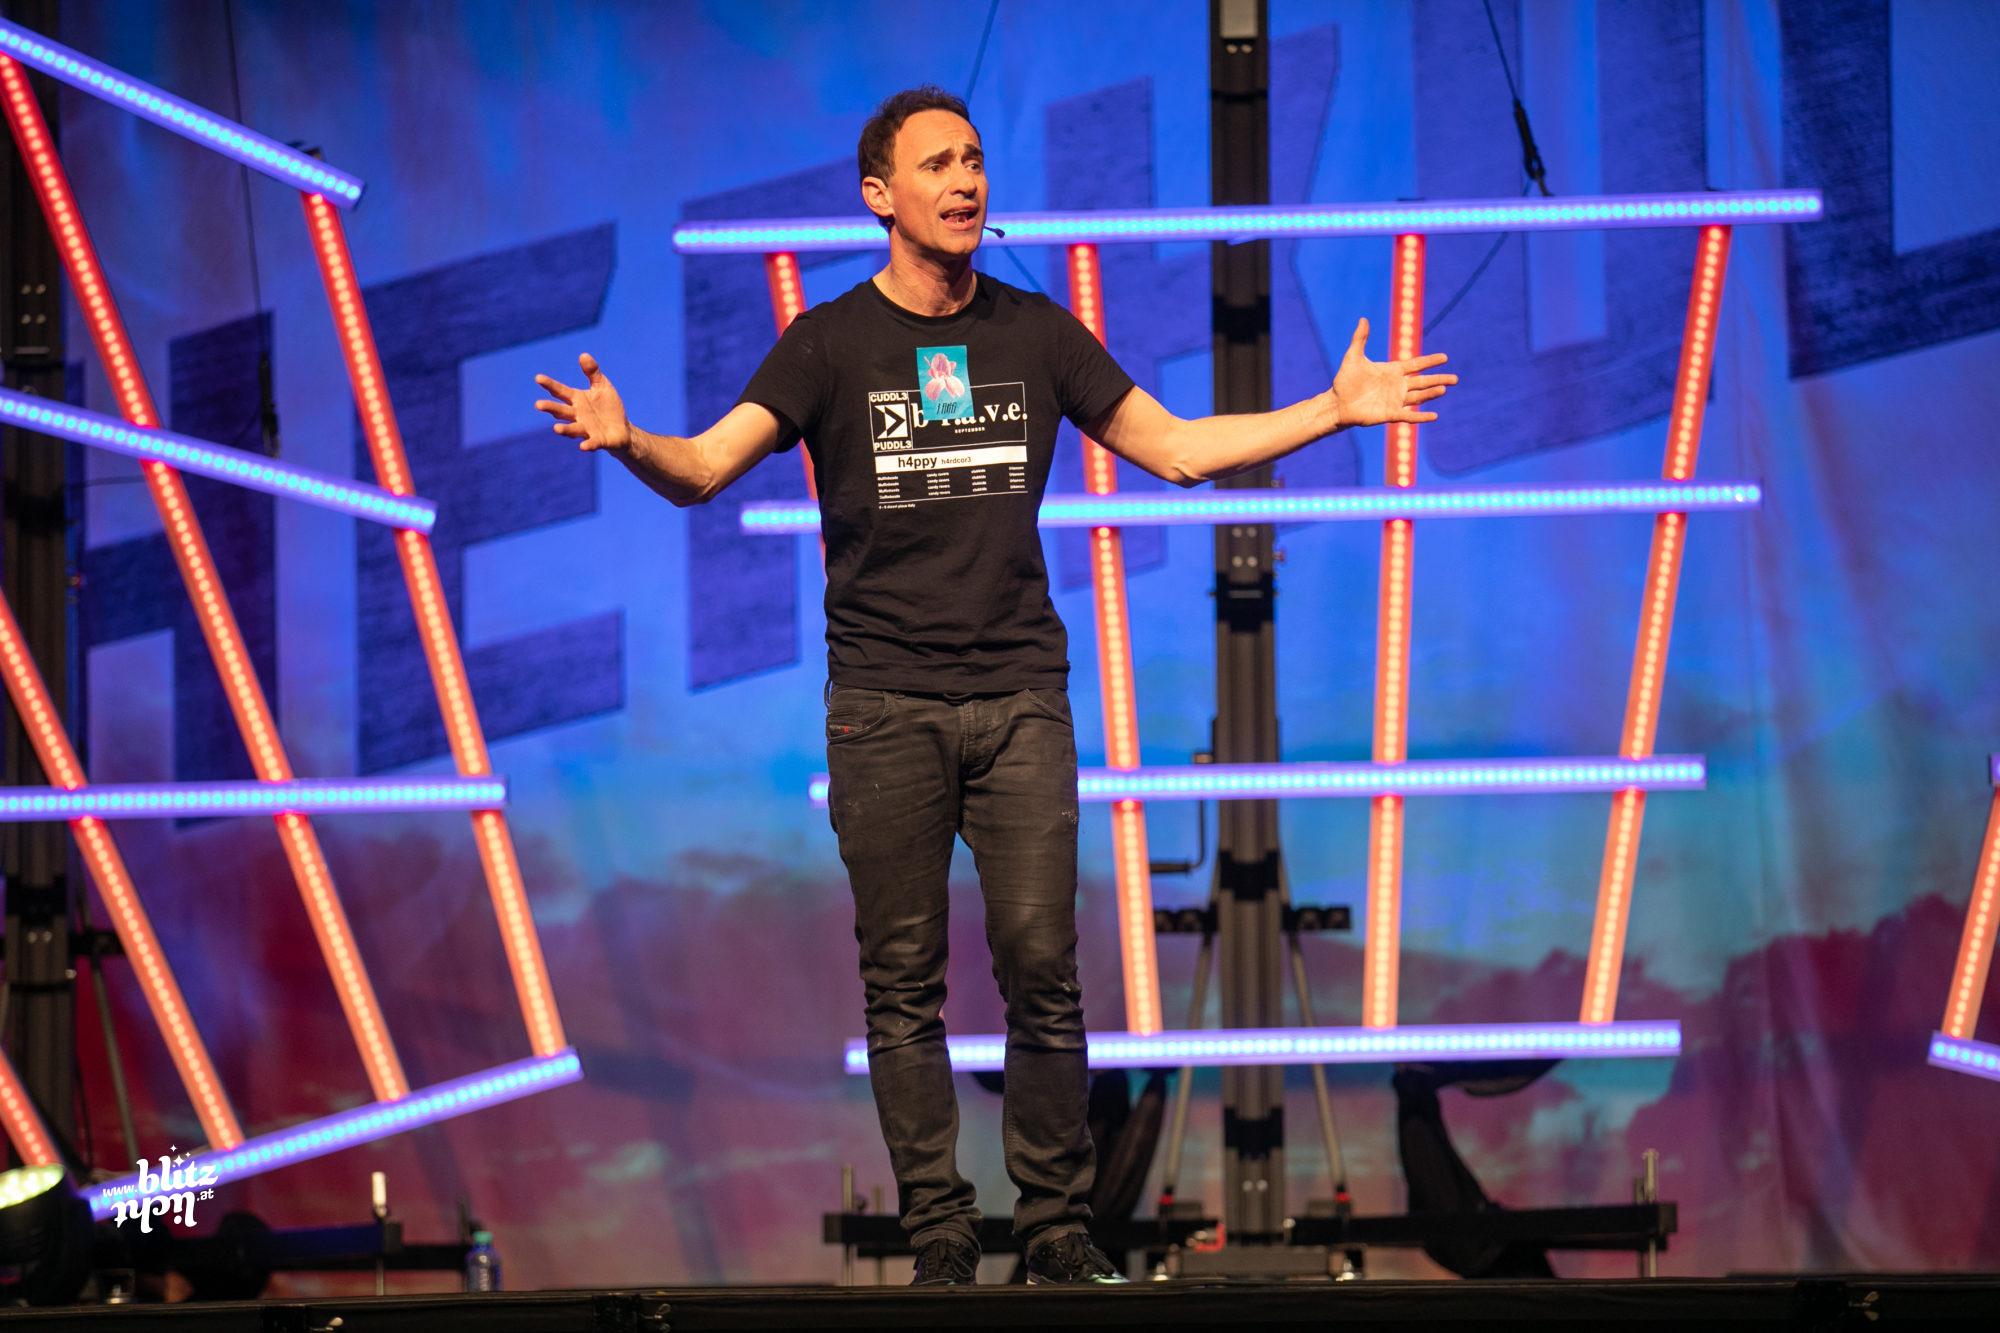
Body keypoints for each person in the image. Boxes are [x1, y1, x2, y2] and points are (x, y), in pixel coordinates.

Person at [534, 85, 1455, 1287]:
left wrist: (1333, 409)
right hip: (883, 707)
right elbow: (705, 466)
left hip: (1019, 697)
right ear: (879, 195)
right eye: (936, 164)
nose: (964, 180)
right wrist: (628, 441)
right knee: (901, 983)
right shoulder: (827, 343)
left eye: (972, 159)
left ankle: (1058, 1229)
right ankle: (939, 1237)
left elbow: (1177, 450)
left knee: (1040, 965)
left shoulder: (1034, 333)